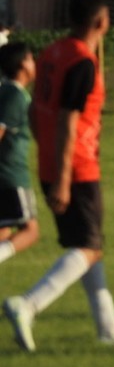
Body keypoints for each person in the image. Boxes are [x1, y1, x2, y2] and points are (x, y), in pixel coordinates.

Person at [3, 0, 114, 352]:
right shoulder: (82, 62)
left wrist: (47, 156)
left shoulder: (52, 53)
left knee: (88, 246)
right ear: (101, 22)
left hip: (53, 163)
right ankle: (28, 304)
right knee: (88, 248)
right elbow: (67, 121)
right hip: (76, 167)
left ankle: (108, 330)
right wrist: (63, 177)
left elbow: (35, 110)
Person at [0, 42, 39, 269]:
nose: (35, 64)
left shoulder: (5, 91)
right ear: (22, 64)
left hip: (5, 175)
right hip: (12, 175)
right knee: (30, 231)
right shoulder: (14, 96)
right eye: (31, 58)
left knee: (4, 231)